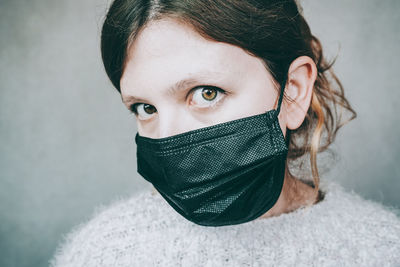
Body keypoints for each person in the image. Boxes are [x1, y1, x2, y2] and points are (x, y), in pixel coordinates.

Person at [51, 0, 400, 265]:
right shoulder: (103, 253)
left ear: (293, 91)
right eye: (145, 108)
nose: (169, 138)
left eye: (206, 93)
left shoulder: (381, 249)